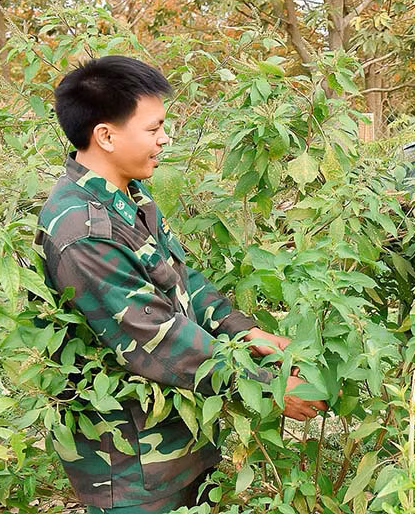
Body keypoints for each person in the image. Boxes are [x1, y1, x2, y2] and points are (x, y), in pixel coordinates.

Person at [35, 56, 328, 513]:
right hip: (130, 464)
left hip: (177, 438)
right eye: (154, 129)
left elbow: (179, 279)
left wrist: (242, 330)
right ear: (106, 136)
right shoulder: (83, 230)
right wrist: (266, 385)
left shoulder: (128, 195)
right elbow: (155, 336)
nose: (164, 139)